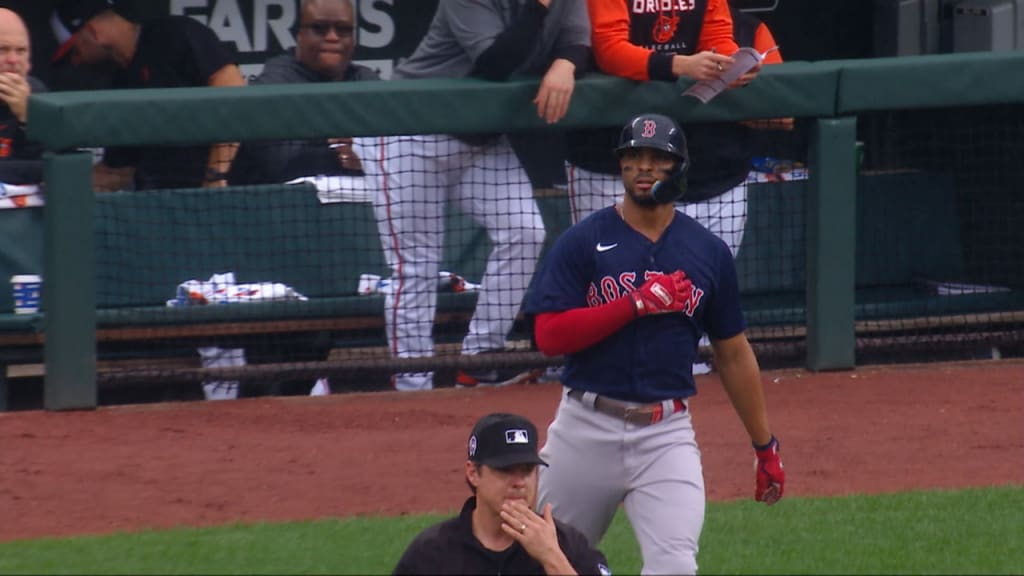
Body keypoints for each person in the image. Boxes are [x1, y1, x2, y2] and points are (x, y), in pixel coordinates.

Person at [527, 113, 785, 574]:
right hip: (585, 428)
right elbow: (548, 336)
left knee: (676, 567)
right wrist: (634, 305)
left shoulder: (708, 252)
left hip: (666, 436)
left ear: (679, 169)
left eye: (657, 159)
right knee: (546, 561)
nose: (643, 167)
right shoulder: (583, 241)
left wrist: (764, 447)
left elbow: (732, 352)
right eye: (633, 157)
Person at [354, 0, 591, 391]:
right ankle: (413, 387)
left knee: (525, 231)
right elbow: (497, 62)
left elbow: (579, 44)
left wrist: (566, 63)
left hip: (481, 138)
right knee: (417, 267)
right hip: (411, 129)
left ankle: (479, 359)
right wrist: (539, 6)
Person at [565, 1, 788, 374]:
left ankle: (679, 373)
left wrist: (730, 63)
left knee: (695, 288)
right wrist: (682, 65)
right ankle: (599, 368)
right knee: (608, 282)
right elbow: (610, 51)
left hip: (709, 173)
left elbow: (719, 39)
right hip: (609, 159)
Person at [55, 0, 245, 191]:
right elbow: (119, 171)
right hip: (181, 198)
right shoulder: (120, 84)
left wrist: (215, 176)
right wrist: (62, 191)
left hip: (243, 185)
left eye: (75, 52)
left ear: (94, 32)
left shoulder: (174, 34)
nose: (76, 62)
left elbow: (232, 88)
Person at [393, 412, 611, 575]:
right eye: (505, 470)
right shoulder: (433, 552)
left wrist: (552, 558)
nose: (519, 483)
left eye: (527, 470)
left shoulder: (565, 544)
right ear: (473, 473)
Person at [228, 0, 379, 186]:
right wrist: (344, 154)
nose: (332, 37)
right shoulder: (276, 81)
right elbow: (280, 163)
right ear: (299, 35)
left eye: (343, 30)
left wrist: (365, 156)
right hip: (280, 204)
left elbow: (393, 156)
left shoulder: (365, 80)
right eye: (319, 28)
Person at [0, 7, 46, 185]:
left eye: (21, 51)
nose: (13, 60)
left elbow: (49, 167)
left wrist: (28, 119)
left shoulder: (37, 95)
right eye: (3, 50)